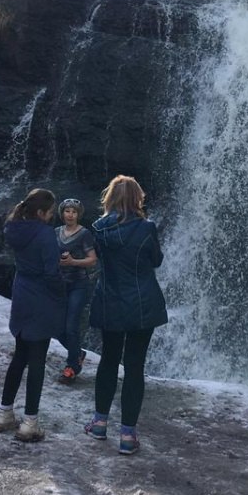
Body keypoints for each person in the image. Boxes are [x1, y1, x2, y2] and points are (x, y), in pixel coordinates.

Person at [84, 175, 167, 456]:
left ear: (110, 198)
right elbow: (156, 260)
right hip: (143, 303)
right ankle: (128, 436)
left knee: (108, 359)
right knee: (135, 366)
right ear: (137, 199)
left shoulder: (98, 229)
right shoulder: (146, 229)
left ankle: (98, 424)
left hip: (110, 300)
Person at [0, 188, 64, 443]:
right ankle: (29, 422)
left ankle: (4, 413)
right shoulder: (44, 234)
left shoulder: (13, 228)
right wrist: (61, 292)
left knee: (19, 355)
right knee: (37, 361)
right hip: (40, 298)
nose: (52, 217)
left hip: (21, 293)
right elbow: (51, 272)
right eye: (51, 212)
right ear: (41, 212)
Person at [55, 199, 97, 384]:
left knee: (71, 326)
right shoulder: (56, 232)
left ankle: (72, 366)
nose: (70, 214)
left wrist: (73, 262)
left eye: (74, 211)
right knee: (57, 328)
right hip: (59, 285)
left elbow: (92, 260)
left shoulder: (84, 234)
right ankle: (78, 353)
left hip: (79, 285)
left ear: (79, 214)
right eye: (67, 211)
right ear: (62, 213)